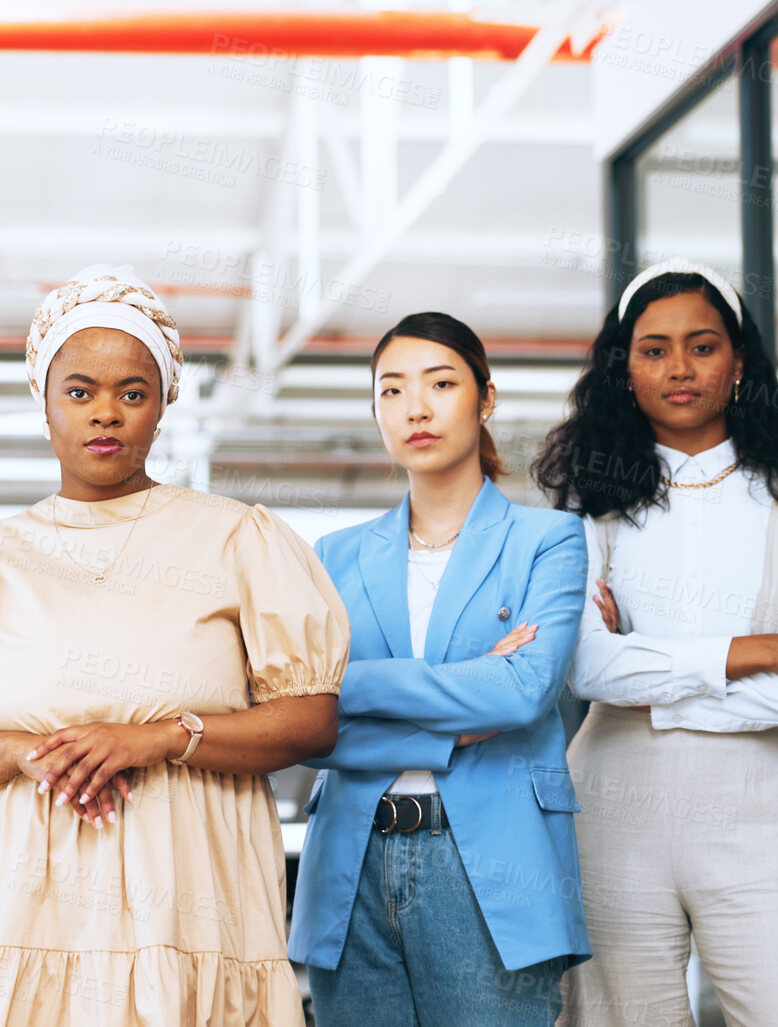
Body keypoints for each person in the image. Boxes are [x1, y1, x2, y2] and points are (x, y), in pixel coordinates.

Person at [0, 264, 349, 1026]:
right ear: (45, 403)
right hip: (7, 905)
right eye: (80, 391)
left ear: (161, 408)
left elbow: (311, 720)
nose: (106, 414)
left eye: (133, 393)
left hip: (184, 895)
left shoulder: (236, 539)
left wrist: (157, 737)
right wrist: (25, 751)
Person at [536, 259, 778, 1026]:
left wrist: (646, 675)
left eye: (702, 345)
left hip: (761, 812)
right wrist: (760, 649)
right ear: (624, 370)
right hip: (611, 812)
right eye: (653, 349)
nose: (678, 367)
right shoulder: (590, 508)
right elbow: (583, 665)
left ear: (738, 361)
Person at [292, 312, 590, 1025]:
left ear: (485, 398)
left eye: (440, 383)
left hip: (490, 863)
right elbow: (308, 725)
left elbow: (520, 691)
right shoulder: (333, 556)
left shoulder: (547, 540)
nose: (414, 408)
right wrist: (448, 723)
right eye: (390, 390)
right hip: (351, 858)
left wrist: (353, 686)